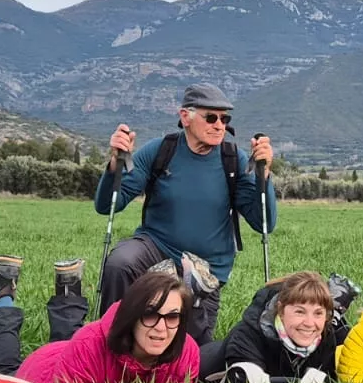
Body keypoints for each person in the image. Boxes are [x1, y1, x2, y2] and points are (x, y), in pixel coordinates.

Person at [94, 83, 276, 343]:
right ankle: (110, 341)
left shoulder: (233, 158)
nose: (219, 125)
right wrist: (116, 163)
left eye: (225, 119)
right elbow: (108, 204)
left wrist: (263, 175)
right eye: (210, 117)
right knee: (121, 263)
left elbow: (264, 224)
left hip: (205, 268)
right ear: (185, 117)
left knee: (188, 351)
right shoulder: (160, 150)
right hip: (156, 247)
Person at [0, 255, 200, 383]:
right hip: (43, 379)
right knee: (1, 373)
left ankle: (69, 289)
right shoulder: (89, 344)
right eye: (150, 314)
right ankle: (1, 291)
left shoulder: (187, 352)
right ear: (132, 315)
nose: (161, 327)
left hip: (73, 355)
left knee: (77, 344)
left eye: (172, 317)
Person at [217, 271, 344, 383]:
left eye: (318, 313)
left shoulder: (327, 336)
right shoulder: (247, 335)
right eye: (300, 312)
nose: (309, 323)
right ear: (281, 310)